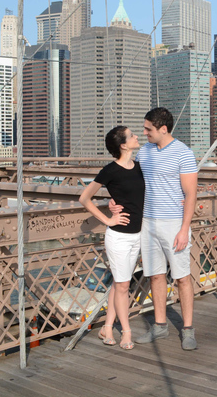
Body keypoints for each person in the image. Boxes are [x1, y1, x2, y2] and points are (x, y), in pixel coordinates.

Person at [134, 107, 198, 350]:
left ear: (163, 129)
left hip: (174, 224)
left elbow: (191, 193)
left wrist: (184, 228)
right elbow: (135, 181)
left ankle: (188, 330)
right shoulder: (144, 151)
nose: (144, 132)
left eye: (148, 129)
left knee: (182, 277)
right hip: (148, 223)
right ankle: (160, 327)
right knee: (156, 275)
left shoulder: (183, 153)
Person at [79, 126, 144, 350]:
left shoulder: (139, 167)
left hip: (137, 234)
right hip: (118, 237)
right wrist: (107, 220)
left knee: (119, 281)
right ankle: (126, 331)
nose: (137, 137)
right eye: (133, 135)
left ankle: (107, 327)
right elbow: (84, 198)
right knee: (124, 285)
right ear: (123, 145)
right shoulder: (110, 170)